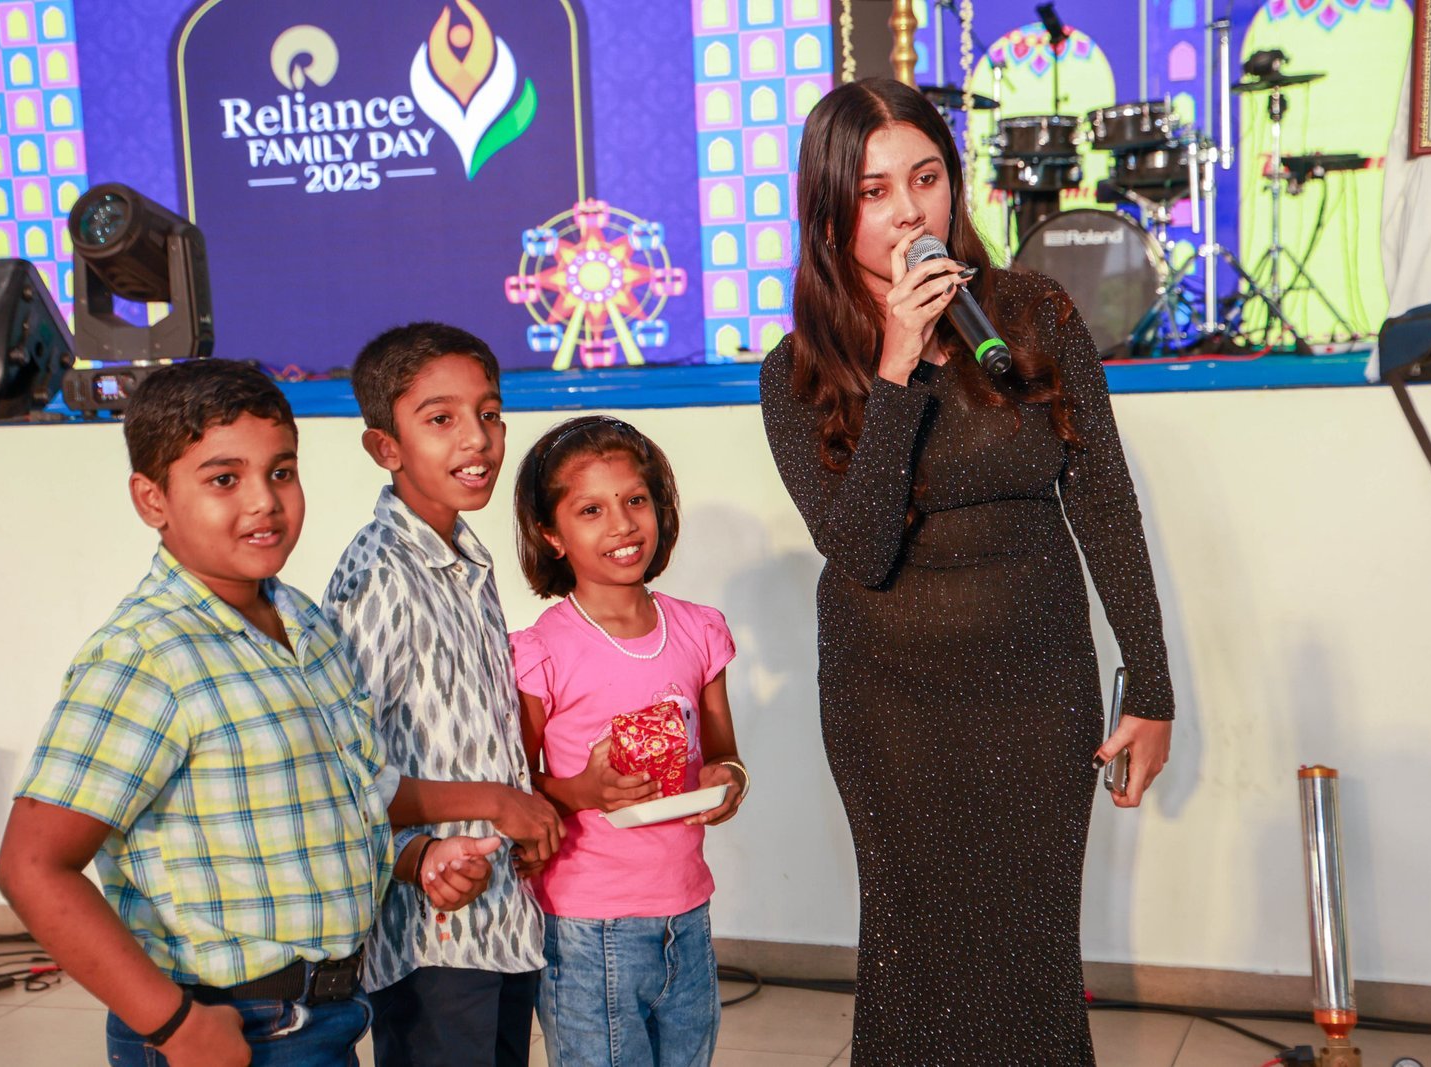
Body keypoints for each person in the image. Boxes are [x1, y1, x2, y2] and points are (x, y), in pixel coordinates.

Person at [757, 78, 1175, 1065]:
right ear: (829, 213)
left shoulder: (1031, 315)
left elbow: (1105, 500)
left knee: (1031, 951)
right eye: (873, 191)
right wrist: (896, 366)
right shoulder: (796, 369)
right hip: (889, 702)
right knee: (917, 957)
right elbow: (860, 549)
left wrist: (1151, 685)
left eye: (927, 178)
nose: (909, 211)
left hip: (1037, 684)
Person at [0, 359, 499, 1067]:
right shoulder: (148, 654)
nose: (264, 501)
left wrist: (416, 858)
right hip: (225, 1023)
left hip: (325, 1013)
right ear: (151, 499)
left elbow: (338, 802)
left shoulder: (306, 624)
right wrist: (175, 1025)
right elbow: (31, 865)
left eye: (281, 472)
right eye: (224, 479)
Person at [324, 323, 562, 1067]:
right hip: (430, 934)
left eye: (489, 413)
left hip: (499, 917)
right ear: (385, 448)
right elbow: (343, 772)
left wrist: (530, 804)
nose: (477, 439)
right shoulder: (379, 575)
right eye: (441, 418)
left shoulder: (466, 560)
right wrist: (498, 801)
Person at [507, 415, 748, 1067]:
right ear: (551, 534)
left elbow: (724, 755)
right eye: (591, 510)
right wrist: (582, 790)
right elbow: (513, 788)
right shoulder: (542, 651)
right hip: (587, 927)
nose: (622, 525)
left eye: (635, 500)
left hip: (688, 912)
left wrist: (728, 781)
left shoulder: (699, 631)